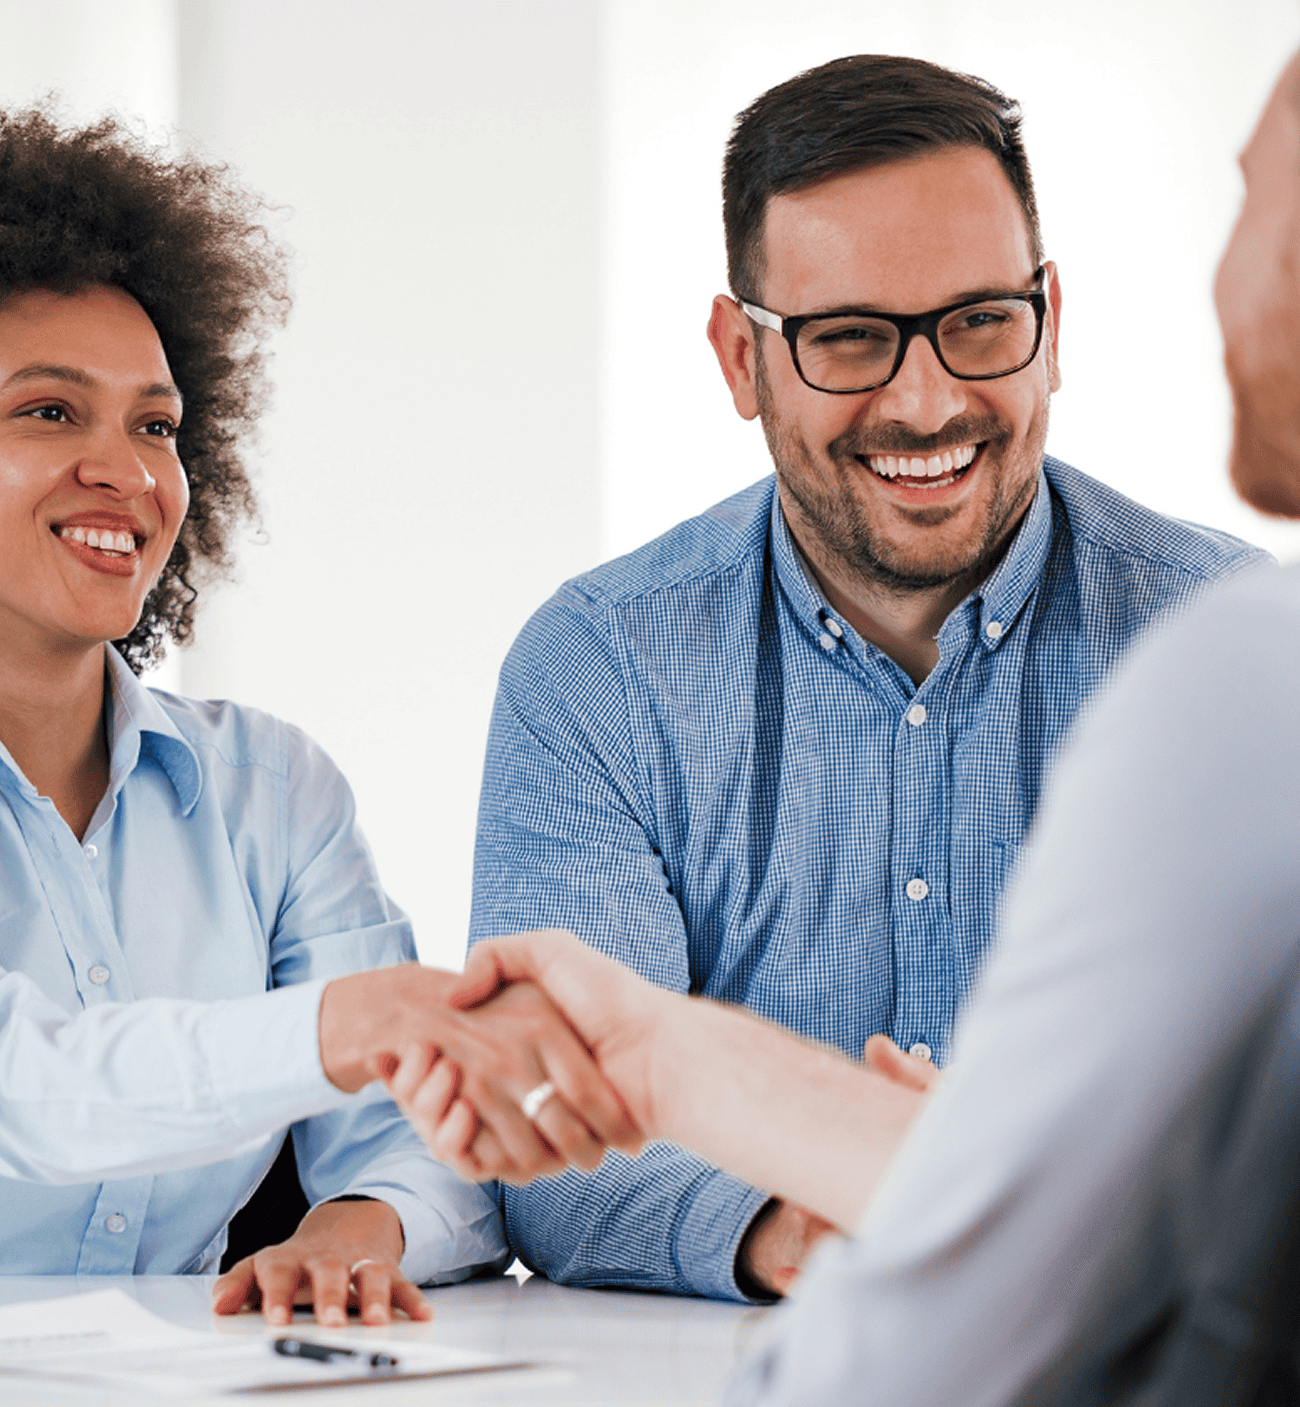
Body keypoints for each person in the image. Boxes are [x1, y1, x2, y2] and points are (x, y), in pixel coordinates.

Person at [398, 46, 1300, 1403]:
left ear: (1049, 318)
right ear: (740, 356)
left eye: (979, 321)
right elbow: (558, 1152)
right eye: (847, 338)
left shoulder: (1222, 646)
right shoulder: (599, 667)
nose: (925, 400)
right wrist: (793, 1220)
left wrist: (922, 1221)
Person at [0, 101, 638, 1325]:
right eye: (50, 412)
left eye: (156, 425)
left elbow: (443, 1158)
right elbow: (15, 1084)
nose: (130, 472)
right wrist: (347, 1023)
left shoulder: (269, 788)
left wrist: (360, 1224)